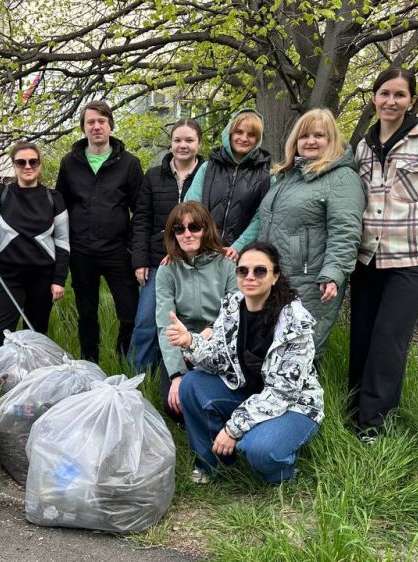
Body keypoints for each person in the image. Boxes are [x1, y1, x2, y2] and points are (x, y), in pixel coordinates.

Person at [348, 68, 418, 442]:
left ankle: (374, 424)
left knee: (389, 336)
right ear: (374, 97)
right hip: (369, 257)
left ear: (412, 100)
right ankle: (354, 408)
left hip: (414, 259)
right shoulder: (363, 145)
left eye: (399, 95)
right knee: (363, 334)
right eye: (384, 93)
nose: (391, 101)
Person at [167, 241, 323, 484]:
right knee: (191, 384)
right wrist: (190, 341)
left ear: (275, 276)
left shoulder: (295, 323)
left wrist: (232, 429)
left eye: (260, 271)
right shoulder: (232, 307)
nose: (250, 277)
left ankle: (283, 471)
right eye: (243, 270)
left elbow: (282, 393)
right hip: (248, 394)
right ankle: (211, 464)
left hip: (294, 406)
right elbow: (217, 360)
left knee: (259, 450)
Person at [257, 108, 365, 359]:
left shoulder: (341, 178)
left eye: (319, 135)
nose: (311, 141)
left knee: (302, 349)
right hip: (276, 276)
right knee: (273, 348)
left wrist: (333, 273)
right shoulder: (289, 176)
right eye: (304, 136)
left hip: (310, 278)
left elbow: (346, 230)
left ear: (332, 140)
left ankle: (306, 399)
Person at [56, 100, 144, 362]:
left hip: (117, 250)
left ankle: (122, 360)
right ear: (83, 128)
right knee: (87, 313)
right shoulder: (70, 163)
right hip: (81, 251)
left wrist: (131, 245)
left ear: (110, 125)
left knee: (129, 312)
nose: (96, 127)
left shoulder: (129, 163)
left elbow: (140, 209)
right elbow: (60, 207)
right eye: (90, 122)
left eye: (101, 121)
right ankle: (89, 362)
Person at [129, 119, 205, 373]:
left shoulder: (209, 174)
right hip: (157, 260)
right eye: (177, 140)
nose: (182, 145)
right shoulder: (153, 176)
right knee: (147, 320)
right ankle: (138, 375)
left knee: (191, 321)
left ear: (199, 143)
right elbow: (141, 220)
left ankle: (186, 373)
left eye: (189, 140)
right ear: (171, 144)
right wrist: (139, 260)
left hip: (196, 262)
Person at [0, 143, 69, 351]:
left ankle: (31, 381)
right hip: (7, 276)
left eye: (33, 161)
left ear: (40, 164)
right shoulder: (1, 193)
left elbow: (63, 241)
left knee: (36, 336)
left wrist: (59, 279)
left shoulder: (54, 198)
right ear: (14, 165)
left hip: (43, 277)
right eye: (21, 162)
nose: (28, 166)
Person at [154, 202, 236, 423]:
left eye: (194, 227)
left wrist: (210, 331)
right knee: (175, 406)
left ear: (205, 229)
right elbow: (165, 324)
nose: (187, 234)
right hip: (181, 343)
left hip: (218, 341)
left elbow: (234, 313)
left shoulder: (226, 264)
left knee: (216, 400)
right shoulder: (167, 269)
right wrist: (177, 376)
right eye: (179, 229)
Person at [183, 108, 271, 259]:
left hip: (242, 257)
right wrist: (205, 243)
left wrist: (237, 247)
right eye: (239, 132)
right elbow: (190, 207)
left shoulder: (267, 175)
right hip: (203, 252)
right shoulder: (208, 168)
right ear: (230, 133)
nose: (244, 138)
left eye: (251, 134)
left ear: (258, 139)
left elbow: (261, 218)